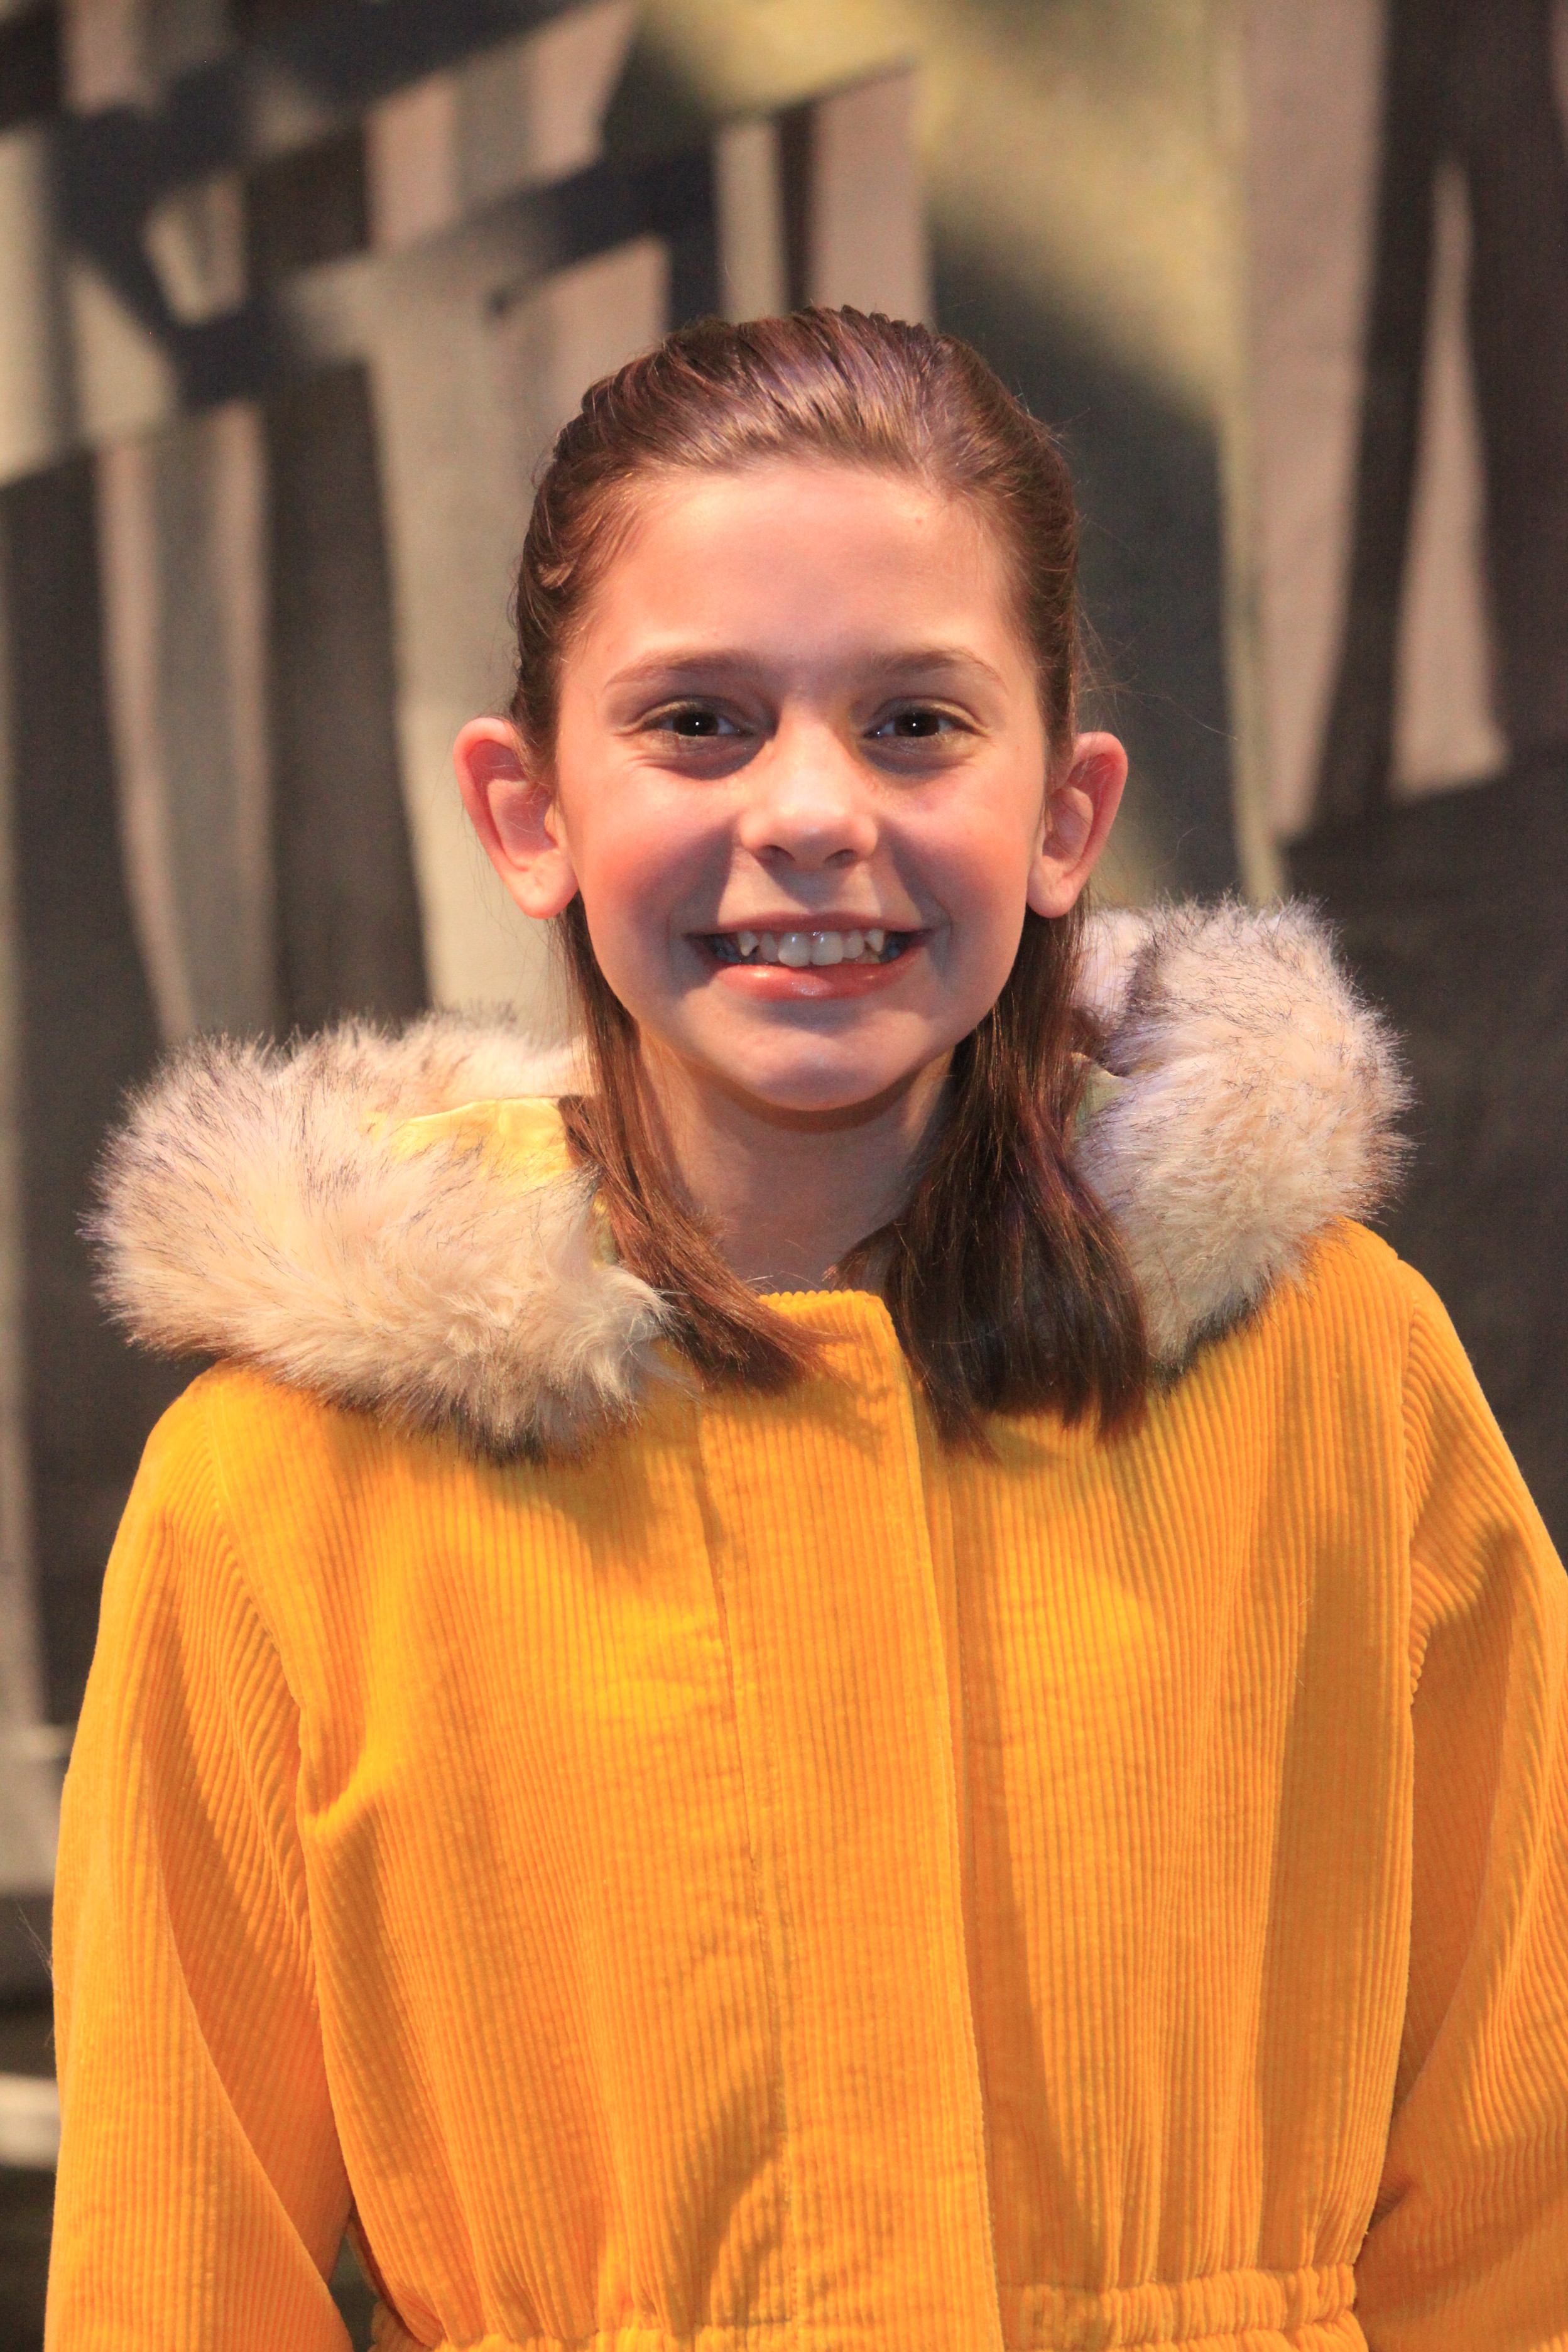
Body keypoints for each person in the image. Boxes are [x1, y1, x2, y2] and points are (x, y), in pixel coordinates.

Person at [46, 309, 1567, 2351]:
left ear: (1065, 814)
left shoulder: (1336, 1377)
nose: (814, 811)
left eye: (917, 721)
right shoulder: (282, 1488)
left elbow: (1523, 2175)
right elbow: (176, 2276)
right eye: (699, 721)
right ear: (527, 808)